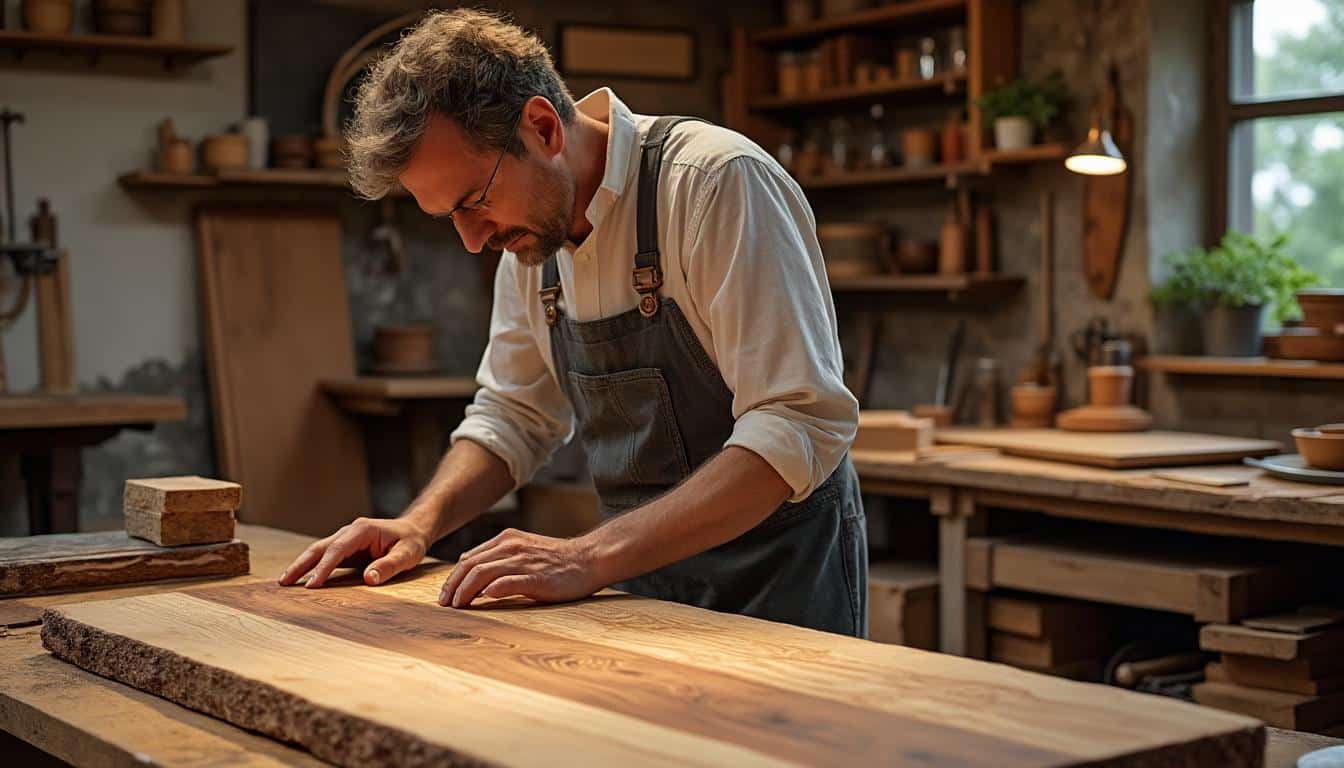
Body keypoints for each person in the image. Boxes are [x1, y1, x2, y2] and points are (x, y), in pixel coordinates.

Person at [279, 8, 867, 636]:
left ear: (542, 127)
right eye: (447, 217)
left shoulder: (714, 184)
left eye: (474, 202)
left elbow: (793, 421)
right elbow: (514, 415)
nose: (473, 241)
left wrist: (587, 556)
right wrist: (418, 525)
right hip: (645, 588)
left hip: (781, 583)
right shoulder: (532, 241)